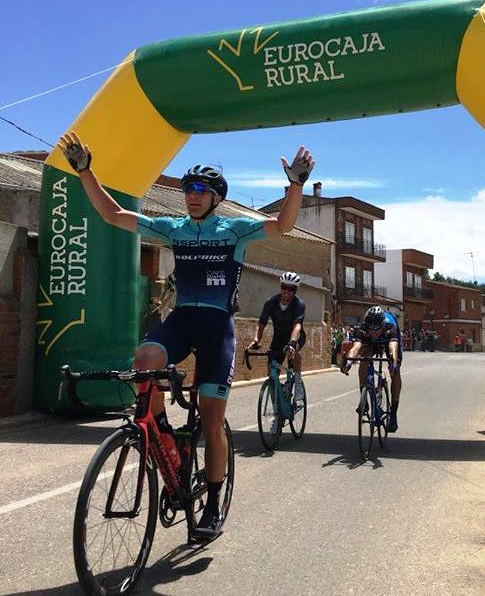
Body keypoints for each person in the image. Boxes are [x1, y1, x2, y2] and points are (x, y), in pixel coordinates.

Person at [59, 131, 314, 539]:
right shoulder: (174, 228)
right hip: (181, 321)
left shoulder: (235, 232)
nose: (191, 196)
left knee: (212, 424)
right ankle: (162, 436)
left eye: (200, 190)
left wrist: (296, 185)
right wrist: (86, 172)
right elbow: (113, 215)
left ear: (215, 196)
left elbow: (283, 224)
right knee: (144, 360)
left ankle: (212, 504)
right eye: (187, 189)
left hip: (216, 329)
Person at [248, 271, 307, 413]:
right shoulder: (271, 303)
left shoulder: (299, 304)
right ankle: (277, 413)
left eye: (291, 289)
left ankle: (297, 382)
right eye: (284, 287)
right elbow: (261, 324)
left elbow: (297, 325)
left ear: (295, 291)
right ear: (281, 287)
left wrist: (292, 343)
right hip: (278, 339)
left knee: (294, 350)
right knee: (272, 375)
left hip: (296, 336)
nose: (287, 292)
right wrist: (256, 340)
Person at [341, 306, 403, 432]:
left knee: (395, 371)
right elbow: (355, 349)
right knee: (364, 359)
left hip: (388, 341)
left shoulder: (390, 327)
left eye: (376, 330)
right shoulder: (362, 329)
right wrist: (347, 363)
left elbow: (393, 348)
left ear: (382, 325)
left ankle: (393, 414)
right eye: (371, 330)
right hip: (370, 343)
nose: (374, 333)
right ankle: (364, 401)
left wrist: (393, 363)